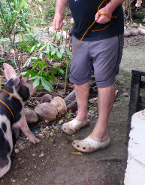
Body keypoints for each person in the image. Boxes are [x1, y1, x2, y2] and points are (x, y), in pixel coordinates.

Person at [51, 0, 124, 153]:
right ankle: (81, 117)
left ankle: (101, 133)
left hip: (107, 32)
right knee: (79, 75)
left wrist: (110, 7)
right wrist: (58, 13)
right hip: (80, 33)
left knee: (104, 81)